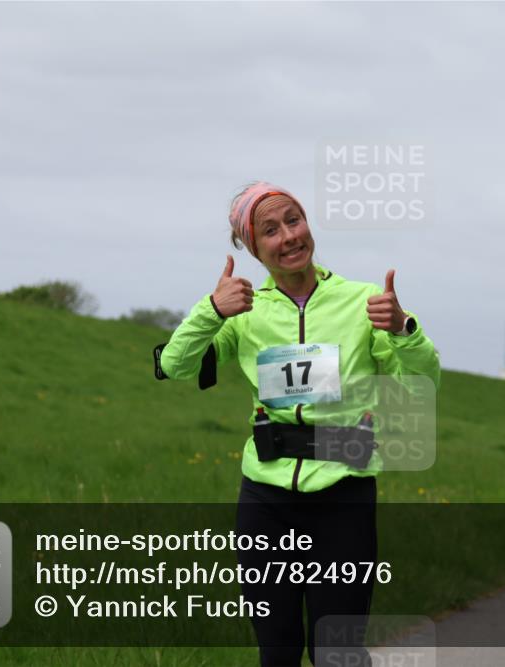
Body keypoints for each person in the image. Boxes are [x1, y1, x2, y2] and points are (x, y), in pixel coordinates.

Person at [157, 181, 441, 667]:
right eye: (270, 229)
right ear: (251, 247)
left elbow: (420, 382)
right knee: (278, 649)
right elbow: (175, 365)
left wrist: (403, 330)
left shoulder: (363, 300)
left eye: (294, 219)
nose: (289, 235)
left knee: (337, 651)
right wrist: (210, 310)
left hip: (343, 495)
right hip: (266, 501)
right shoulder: (243, 314)